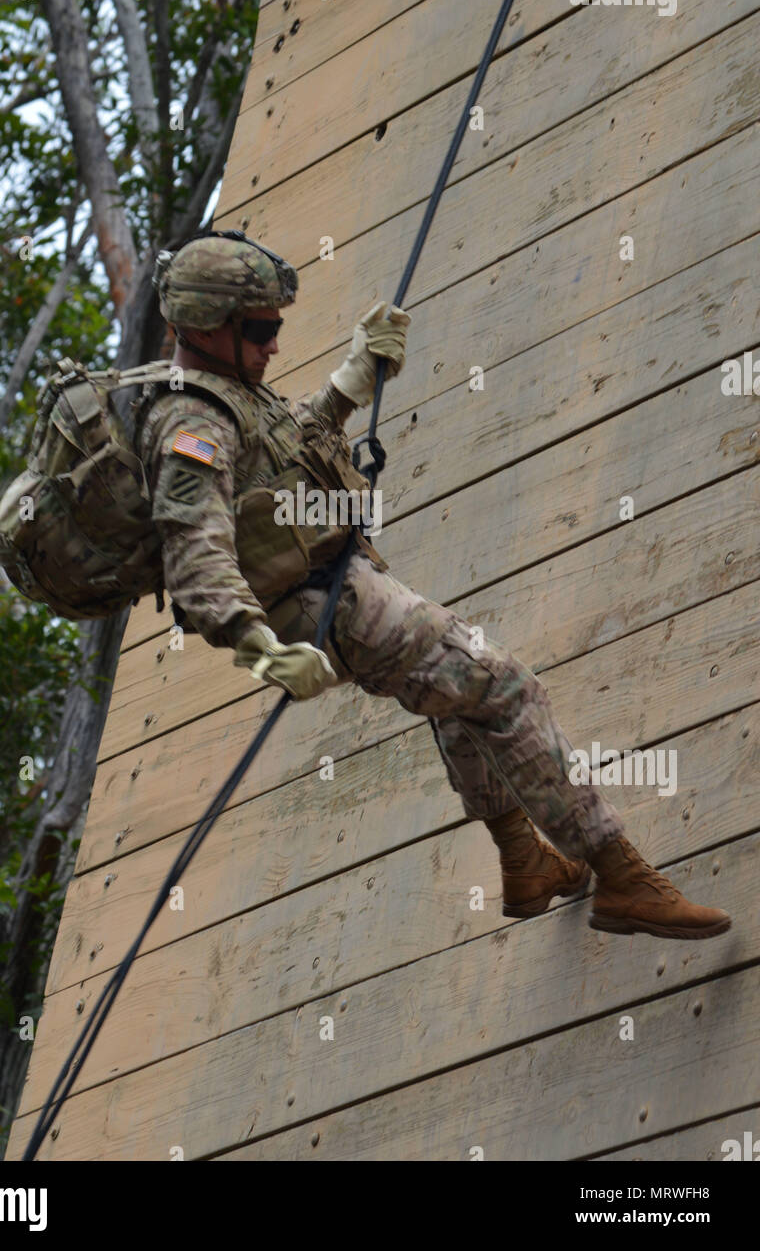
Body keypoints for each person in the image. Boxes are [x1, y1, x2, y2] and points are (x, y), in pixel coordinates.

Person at [134, 230, 730, 940]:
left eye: (276, 327)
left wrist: (351, 382)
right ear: (207, 327)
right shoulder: (189, 421)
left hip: (341, 586)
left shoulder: (227, 390)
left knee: (456, 695)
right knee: (504, 686)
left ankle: (526, 863)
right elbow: (194, 560)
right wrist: (259, 647)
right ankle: (624, 878)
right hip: (326, 608)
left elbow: (281, 457)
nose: (273, 345)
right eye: (260, 329)